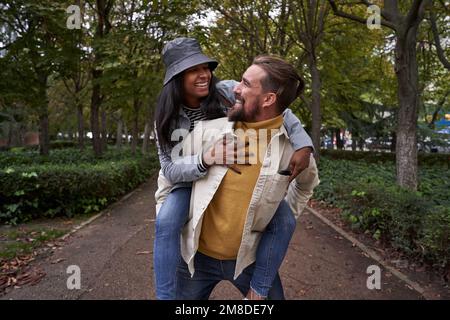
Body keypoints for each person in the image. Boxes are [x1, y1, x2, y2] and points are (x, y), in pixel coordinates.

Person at [153, 38, 314, 300]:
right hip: (189, 179)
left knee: (283, 217)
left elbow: (280, 110)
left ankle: (259, 287)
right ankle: (165, 296)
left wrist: (304, 145)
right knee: (167, 221)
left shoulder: (226, 91)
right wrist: (205, 160)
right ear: (177, 77)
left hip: (226, 182)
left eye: (205, 67)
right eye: (193, 70)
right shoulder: (168, 116)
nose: (204, 74)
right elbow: (170, 169)